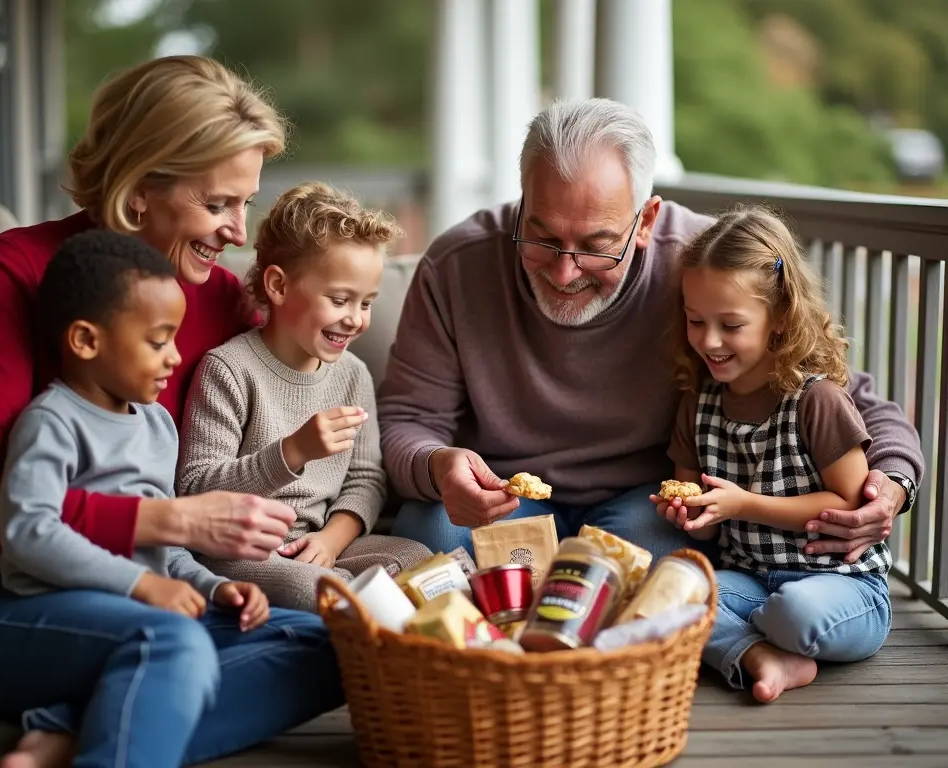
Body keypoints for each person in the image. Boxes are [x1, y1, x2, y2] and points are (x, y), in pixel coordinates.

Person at [0, 56, 342, 768]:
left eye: (246, 202)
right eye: (218, 205)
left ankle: (76, 727)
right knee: (169, 641)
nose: (238, 233)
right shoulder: (18, 270)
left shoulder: (221, 299)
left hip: (155, 590)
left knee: (337, 647)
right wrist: (173, 522)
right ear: (141, 186)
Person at [378, 97, 922, 564]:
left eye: (595, 246)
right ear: (522, 202)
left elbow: (843, 393)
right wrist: (436, 465)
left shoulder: (707, 265)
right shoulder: (456, 263)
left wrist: (891, 484)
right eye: (541, 238)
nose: (565, 273)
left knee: (669, 547)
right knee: (431, 533)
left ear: (647, 219)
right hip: (503, 496)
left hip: (647, 501)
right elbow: (406, 420)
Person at [0, 229, 276, 764]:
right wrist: (142, 584)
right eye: (157, 340)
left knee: (320, 642)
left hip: (158, 604)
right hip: (71, 609)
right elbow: (27, 532)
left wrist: (216, 588)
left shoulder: (156, 425)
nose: (175, 357)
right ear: (85, 340)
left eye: (176, 338)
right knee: (175, 640)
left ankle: (80, 729)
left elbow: (167, 548)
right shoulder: (50, 422)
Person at [652, 207, 891, 703]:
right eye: (696, 321)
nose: (709, 341)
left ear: (779, 316)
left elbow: (849, 504)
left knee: (795, 612)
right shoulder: (698, 404)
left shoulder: (816, 400)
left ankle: (744, 635)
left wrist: (744, 505)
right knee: (664, 591)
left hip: (840, 586)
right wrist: (694, 515)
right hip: (753, 582)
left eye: (731, 325)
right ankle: (758, 656)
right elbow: (708, 518)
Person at [177, 182, 432, 612]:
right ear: (277, 286)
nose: (355, 319)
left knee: (421, 564)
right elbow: (196, 487)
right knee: (321, 591)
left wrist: (333, 538)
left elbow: (366, 478)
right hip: (242, 550)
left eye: (366, 303)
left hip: (321, 542)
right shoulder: (229, 370)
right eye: (339, 299)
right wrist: (292, 452)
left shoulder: (352, 374)